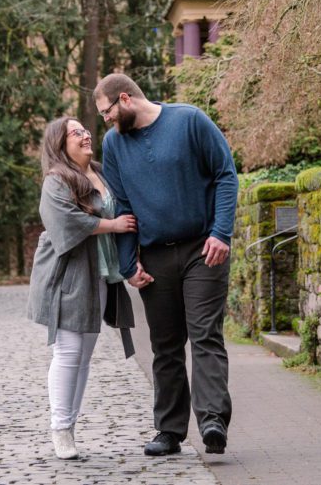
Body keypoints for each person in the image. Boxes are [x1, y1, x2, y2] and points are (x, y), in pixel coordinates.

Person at [93, 73, 238, 457]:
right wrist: (128, 264)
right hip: (155, 255)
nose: (105, 120)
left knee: (205, 333)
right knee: (166, 345)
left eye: (107, 111)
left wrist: (221, 233)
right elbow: (122, 207)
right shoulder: (114, 145)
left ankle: (211, 420)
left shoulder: (189, 120)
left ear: (125, 99)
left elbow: (226, 175)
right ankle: (170, 431)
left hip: (202, 248)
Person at [26, 116, 138, 460]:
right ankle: (60, 429)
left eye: (85, 130)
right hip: (68, 276)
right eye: (77, 133)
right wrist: (113, 225)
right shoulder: (57, 180)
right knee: (69, 353)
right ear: (61, 144)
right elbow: (65, 223)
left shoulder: (101, 173)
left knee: (85, 356)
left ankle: (70, 425)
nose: (86, 135)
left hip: (101, 274)